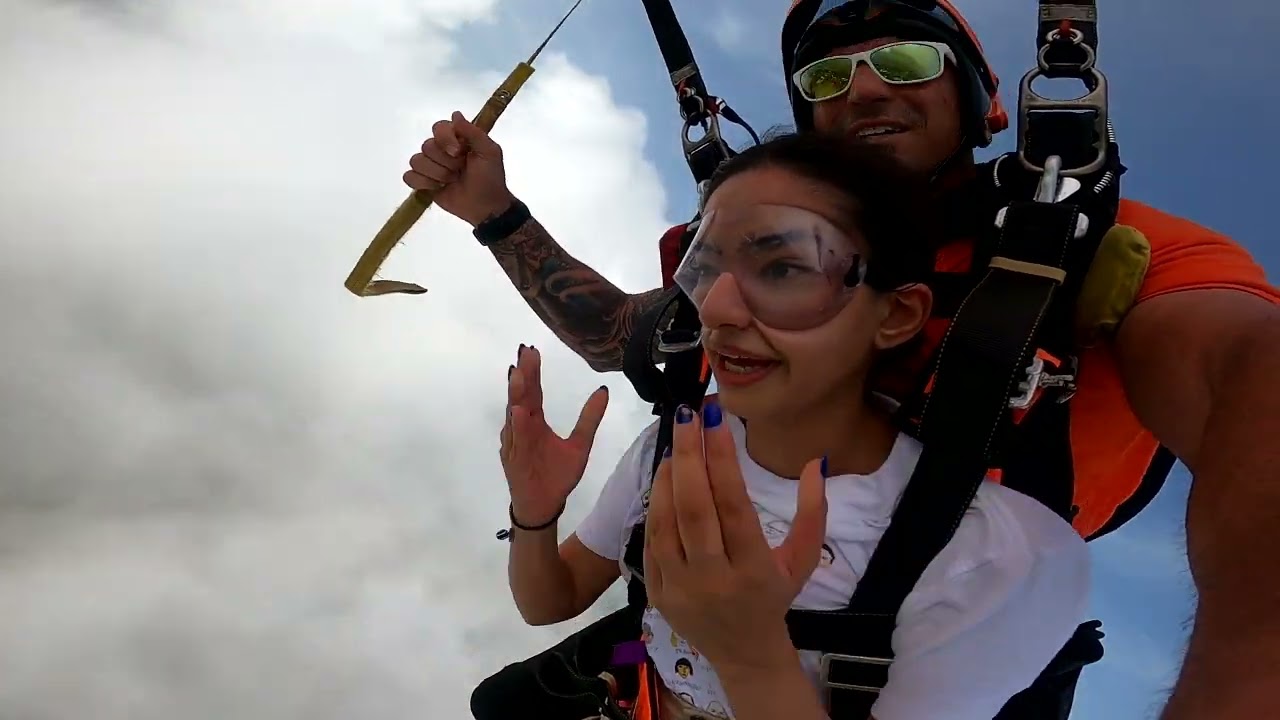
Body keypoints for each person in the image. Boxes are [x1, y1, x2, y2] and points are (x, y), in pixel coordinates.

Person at [407, 2, 1280, 716]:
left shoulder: (1089, 251)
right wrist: (494, 212)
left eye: (905, 61)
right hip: (665, 657)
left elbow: (1249, 376)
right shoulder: (735, 297)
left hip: (928, 659)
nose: (862, 88)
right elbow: (627, 333)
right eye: (826, 78)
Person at [499, 132, 1090, 720]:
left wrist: (751, 655)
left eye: (781, 269)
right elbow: (550, 600)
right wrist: (534, 512)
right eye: (706, 269)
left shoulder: (988, 554)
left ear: (895, 313)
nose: (718, 310)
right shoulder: (676, 449)